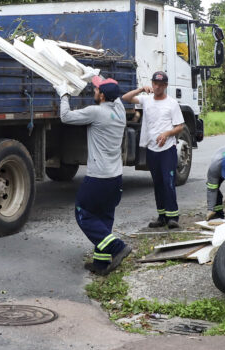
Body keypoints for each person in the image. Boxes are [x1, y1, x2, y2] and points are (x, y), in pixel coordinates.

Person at [60, 76, 133, 276]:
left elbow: (65, 117)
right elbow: (114, 93)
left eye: (97, 90)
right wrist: (95, 77)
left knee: (83, 213)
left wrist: (64, 94)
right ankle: (101, 264)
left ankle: (118, 247)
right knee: (104, 217)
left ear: (101, 96)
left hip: (98, 178)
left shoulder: (95, 112)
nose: (94, 92)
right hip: (115, 177)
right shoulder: (120, 112)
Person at [122, 71, 184, 229]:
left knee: (168, 181)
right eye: (155, 84)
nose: (157, 87)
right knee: (157, 183)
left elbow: (180, 126)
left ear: (165, 86)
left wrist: (167, 133)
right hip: (151, 149)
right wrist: (141, 89)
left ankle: (173, 217)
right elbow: (126, 98)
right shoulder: (146, 100)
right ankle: (161, 216)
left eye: (161, 85)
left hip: (167, 149)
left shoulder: (172, 103)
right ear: (152, 83)